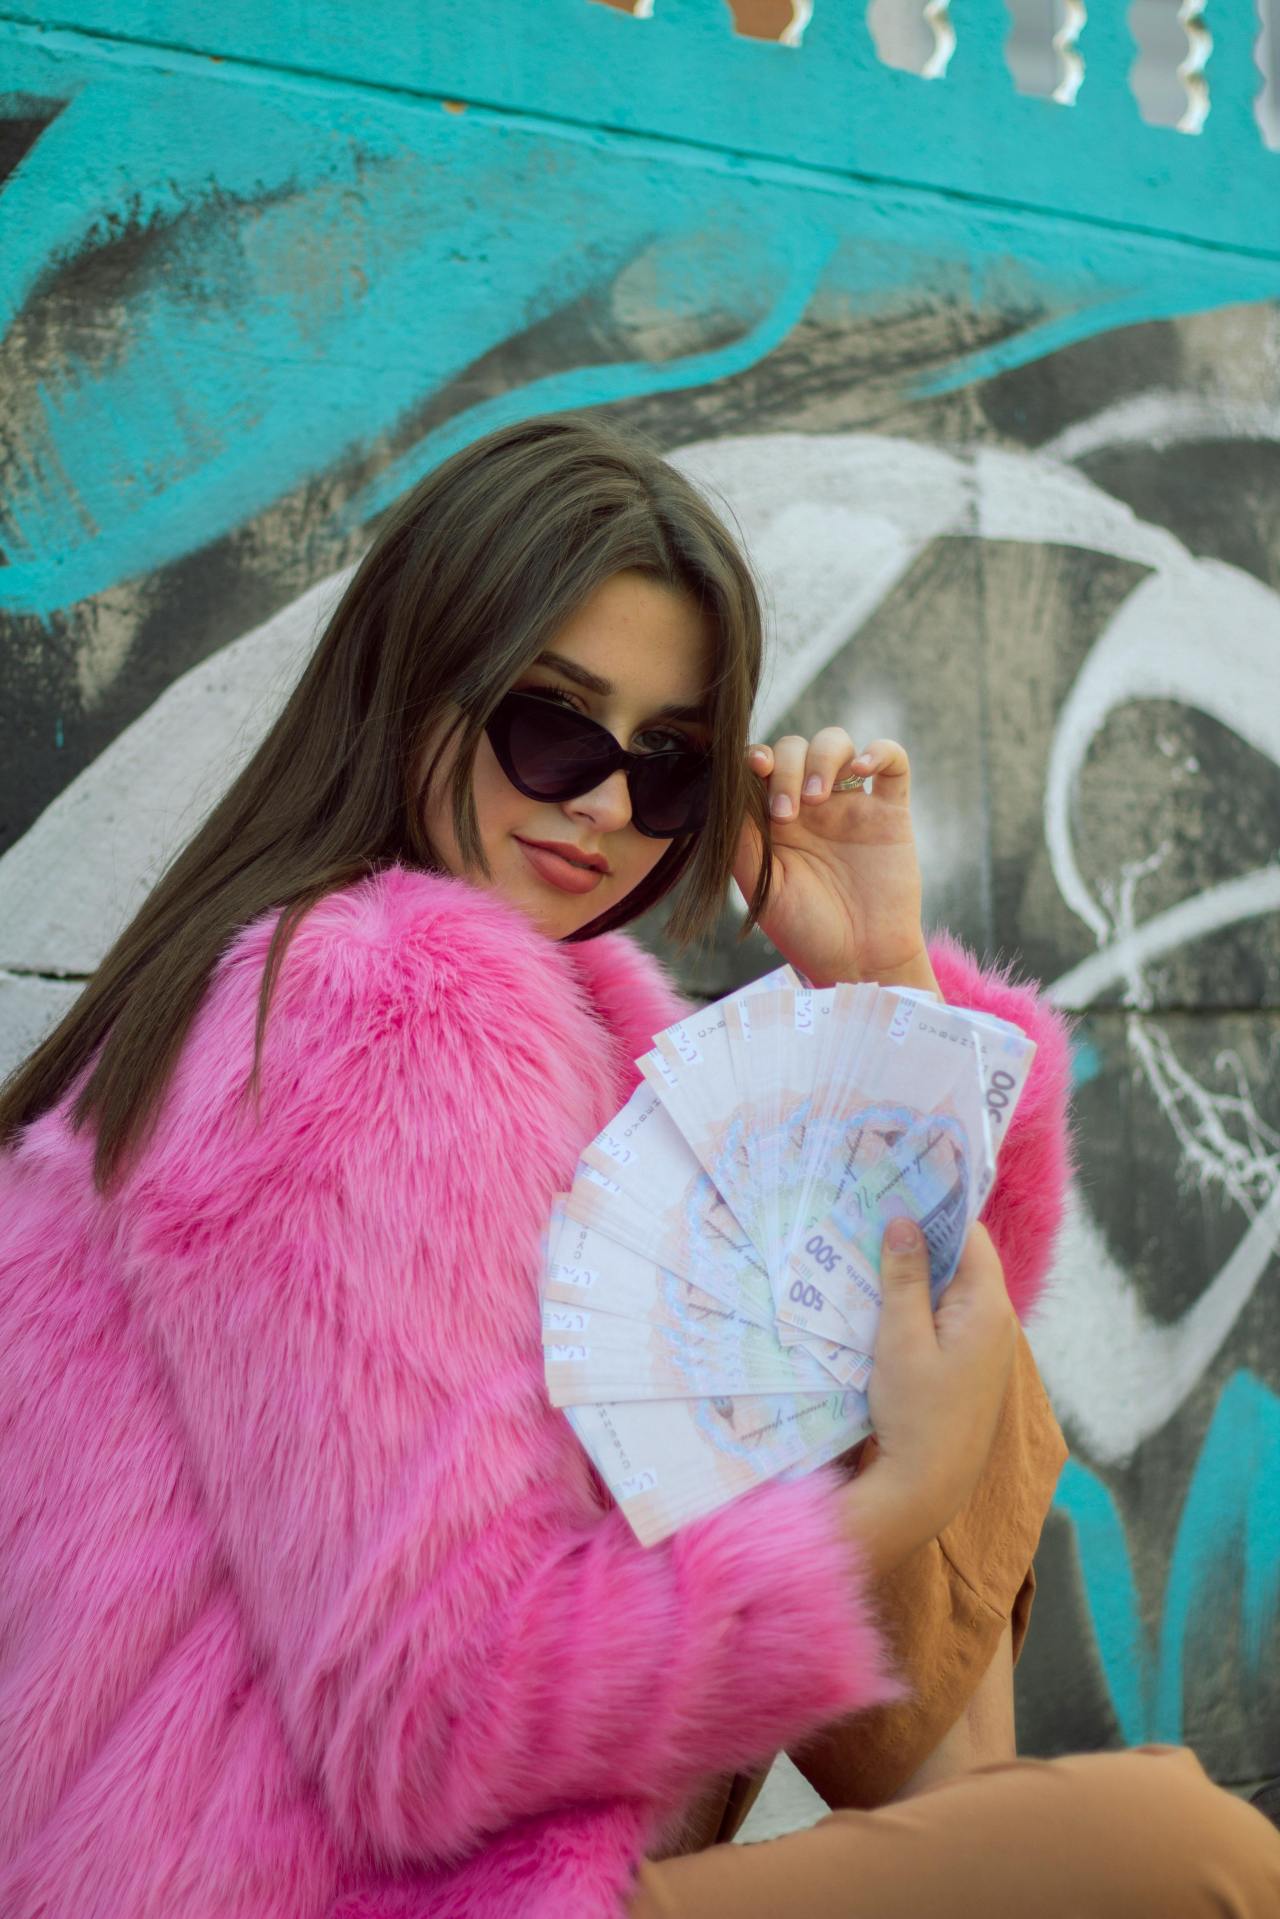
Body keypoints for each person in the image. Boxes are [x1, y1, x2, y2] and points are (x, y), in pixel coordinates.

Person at [0, 411, 1274, 1919]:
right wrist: (900, 1492)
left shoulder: (429, 1018)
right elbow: (428, 1730)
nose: (604, 806)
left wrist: (878, 992)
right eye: (554, 728)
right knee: (1181, 1861)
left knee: (892, 1374)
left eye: (669, 766)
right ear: (418, 693)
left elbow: (893, 1378)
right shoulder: (373, 1018)